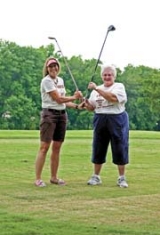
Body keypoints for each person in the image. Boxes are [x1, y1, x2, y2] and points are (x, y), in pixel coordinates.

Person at [34, 57, 82, 187]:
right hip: (49, 114)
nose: (53, 68)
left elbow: (64, 102)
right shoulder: (46, 81)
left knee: (57, 147)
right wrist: (75, 97)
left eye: (55, 66)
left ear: (58, 67)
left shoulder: (60, 80)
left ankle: (54, 177)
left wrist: (77, 106)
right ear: (47, 68)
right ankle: (38, 179)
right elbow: (58, 99)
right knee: (44, 147)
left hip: (62, 115)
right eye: (50, 66)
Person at [82, 64, 129, 188]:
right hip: (100, 118)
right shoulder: (95, 90)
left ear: (114, 76)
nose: (107, 77)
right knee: (98, 146)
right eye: (105, 75)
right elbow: (92, 108)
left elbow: (113, 98)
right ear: (101, 76)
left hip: (117, 118)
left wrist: (96, 89)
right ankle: (96, 176)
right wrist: (86, 103)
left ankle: (121, 177)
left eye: (110, 75)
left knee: (120, 146)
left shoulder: (118, 86)